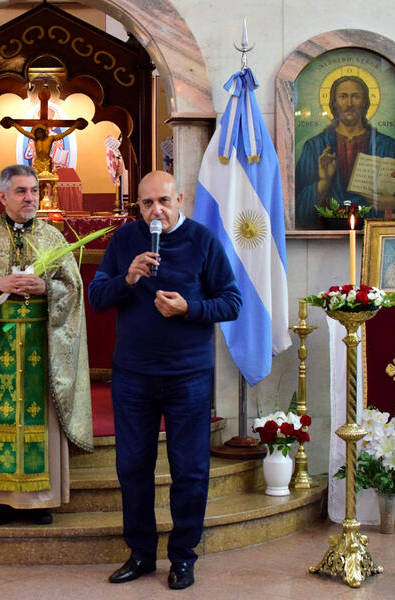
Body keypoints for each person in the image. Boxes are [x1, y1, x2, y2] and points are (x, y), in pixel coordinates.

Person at [88, 170, 241, 590]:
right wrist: (128, 278)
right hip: (133, 375)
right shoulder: (124, 241)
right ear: (137, 206)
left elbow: (231, 302)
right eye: (147, 203)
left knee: (190, 470)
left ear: (180, 201)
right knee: (133, 468)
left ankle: (183, 557)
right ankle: (140, 554)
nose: (156, 210)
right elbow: (98, 297)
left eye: (164, 202)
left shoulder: (203, 241)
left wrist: (188, 308)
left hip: (187, 376)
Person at [0, 164, 93, 526]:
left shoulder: (53, 238)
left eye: (34, 191)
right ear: (3, 197)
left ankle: (41, 499)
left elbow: (73, 289)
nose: (30, 198)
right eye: (21, 192)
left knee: (40, 417)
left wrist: (48, 289)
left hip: (42, 343)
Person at [295, 75, 395, 229]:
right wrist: (323, 183)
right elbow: (296, 206)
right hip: (326, 233)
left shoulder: (389, 146)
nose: (349, 103)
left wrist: (393, 203)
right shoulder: (315, 146)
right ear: (334, 103)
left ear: (365, 102)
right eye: (343, 97)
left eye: (356, 96)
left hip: (374, 232)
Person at [0, 116, 87, 175]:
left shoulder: (50, 138)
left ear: (43, 132)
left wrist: (75, 126)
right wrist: (14, 124)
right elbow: (24, 132)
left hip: (47, 162)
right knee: (37, 183)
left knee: (46, 183)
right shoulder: (35, 138)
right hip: (38, 162)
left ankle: (46, 200)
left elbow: (64, 134)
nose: (38, 135)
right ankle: (39, 200)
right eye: (36, 133)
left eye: (39, 133)